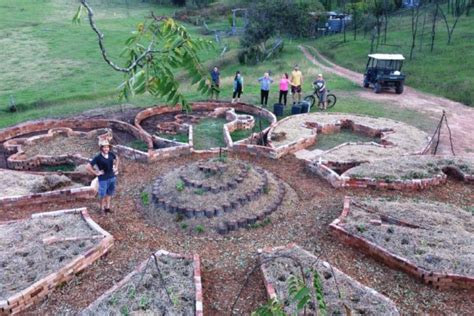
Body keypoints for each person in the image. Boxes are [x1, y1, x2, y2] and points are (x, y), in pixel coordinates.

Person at [86, 139, 119, 214]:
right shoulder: (98, 157)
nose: (106, 148)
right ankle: (101, 209)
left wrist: (116, 167)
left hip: (112, 177)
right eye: (104, 147)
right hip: (103, 179)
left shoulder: (111, 154)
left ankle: (107, 208)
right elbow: (88, 166)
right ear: (101, 148)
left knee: (109, 193)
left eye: (107, 147)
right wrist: (96, 173)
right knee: (102, 195)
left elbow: (117, 159)